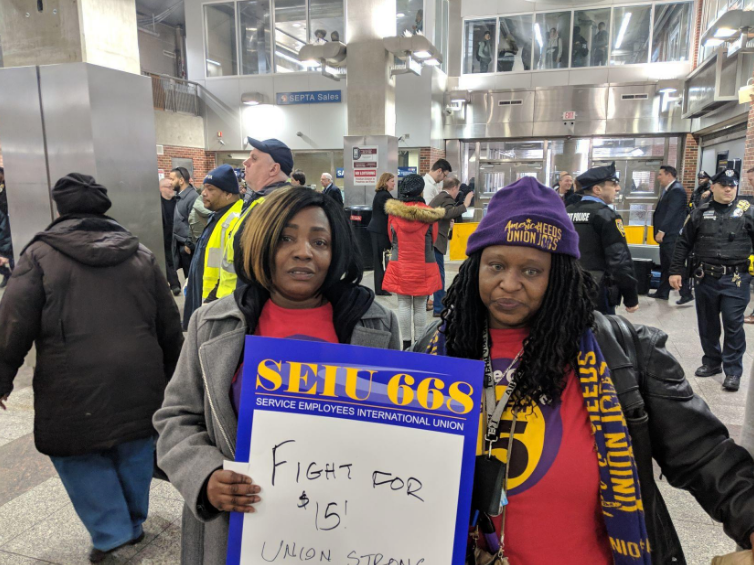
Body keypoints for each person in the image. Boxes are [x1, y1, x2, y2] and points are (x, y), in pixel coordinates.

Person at [413, 176, 754, 564]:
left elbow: (705, 454)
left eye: (531, 271)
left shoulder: (624, 351)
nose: (508, 284)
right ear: (475, 266)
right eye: (495, 265)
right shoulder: (439, 347)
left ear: (558, 276)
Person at [153, 186, 400, 565]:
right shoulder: (213, 323)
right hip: (241, 530)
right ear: (262, 243)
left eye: (320, 241)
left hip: (343, 532)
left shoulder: (376, 324)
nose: (304, 251)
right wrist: (205, 475)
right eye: (286, 237)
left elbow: (400, 429)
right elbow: (175, 417)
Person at [0, 173, 183, 563]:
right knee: (135, 444)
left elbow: (12, 324)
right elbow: (169, 324)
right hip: (140, 375)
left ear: (60, 208)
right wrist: (177, 380)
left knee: (78, 453)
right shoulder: (141, 255)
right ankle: (131, 524)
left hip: (72, 380)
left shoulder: (38, 256)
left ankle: (112, 531)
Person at [670, 169, 754, 392]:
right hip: (705, 277)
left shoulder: (748, 213)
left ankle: (734, 371)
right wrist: (675, 270)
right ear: (713, 187)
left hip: (736, 278)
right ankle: (712, 362)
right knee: (707, 323)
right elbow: (683, 243)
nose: (729, 189)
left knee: (733, 323)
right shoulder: (700, 212)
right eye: (724, 185)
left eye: (733, 186)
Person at [567, 163, 639, 315]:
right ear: (597, 190)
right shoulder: (606, 215)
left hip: (567, 286)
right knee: (602, 334)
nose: (617, 188)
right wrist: (631, 297)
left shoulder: (566, 212)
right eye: (613, 184)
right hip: (597, 290)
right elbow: (619, 259)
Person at [382, 174, 444, 349]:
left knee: (403, 304)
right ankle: (419, 343)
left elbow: (391, 237)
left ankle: (406, 343)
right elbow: (433, 241)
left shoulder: (394, 214)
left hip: (400, 263)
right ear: (421, 190)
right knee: (420, 306)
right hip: (424, 264)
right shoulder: (430, 215)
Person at [182, 165, 246, 327]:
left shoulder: (236, 221)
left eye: (210, 189)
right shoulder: (218, 216)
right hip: (205, 294)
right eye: (204, 188)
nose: (203, 193)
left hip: (217, 301)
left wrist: (213, 298)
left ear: (228, 193)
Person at [429, 178, 474, 318]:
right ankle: (438, 307)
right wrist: (466, 203)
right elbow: (449, 212)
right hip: (435, 241)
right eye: (458, 189)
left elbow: (442, 215)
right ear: (454, 188)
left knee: (436, 274)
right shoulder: (446, 198)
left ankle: (437, 304)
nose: (457, 193)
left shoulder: (439, 197)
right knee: (439, 275)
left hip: (431, 240)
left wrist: (447, 222)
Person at [650, 165, 692, 303]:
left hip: (671, 235)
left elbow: (671, 214)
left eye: (660, 174)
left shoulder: (677, 191)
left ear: (669, 175)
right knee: (666, 264)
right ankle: (663, 292)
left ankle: (686, 293)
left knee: (674, 264)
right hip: (667, 235)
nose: (658, 178)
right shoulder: (669, 190)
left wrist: (662, 231)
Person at [367, 172, 395, 296]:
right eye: (392, 181)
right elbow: (394, 208)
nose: (394, 183)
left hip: (378, 230)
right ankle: (380, 288)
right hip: (379, 230)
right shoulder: (384, 196)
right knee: (379, 260)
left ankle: (382, 286)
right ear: (386, 182)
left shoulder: (382, 194)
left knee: (380, 259)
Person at [170, 167, 199, 278]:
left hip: (188, 247)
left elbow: (196, 223)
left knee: (191, 277)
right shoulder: (180, 196)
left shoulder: (193, 197)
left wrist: (189, 243)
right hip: (180, 243)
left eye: (172, 179)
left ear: (181, 180)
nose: (170, 182)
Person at [159, 178, 181, 295]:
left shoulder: (177, 201)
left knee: (173, 259)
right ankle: (174, 284)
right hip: (162, 235)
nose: (172, 189)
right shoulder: (156, 203)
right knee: (168, 260)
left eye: (173, 186)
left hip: (175, 236)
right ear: (161, 189)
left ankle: (175, 284)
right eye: (169, 187)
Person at [0, 166, 12, 288]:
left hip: (7, 224)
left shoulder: (8, 187)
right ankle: (6, 274)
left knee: (10, 255)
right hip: (3, 222)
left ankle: (13, 276)